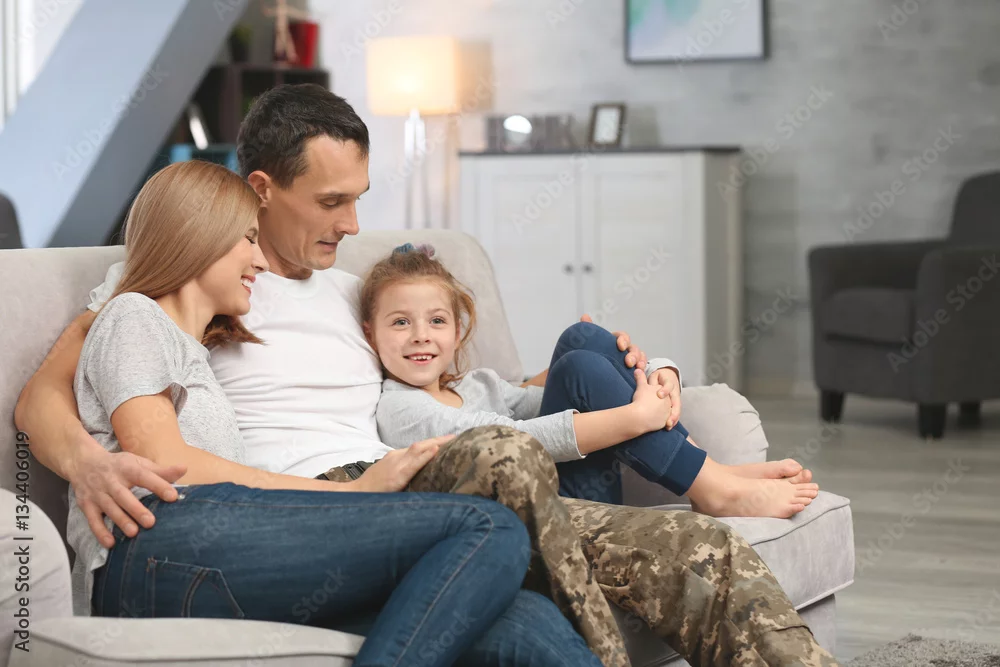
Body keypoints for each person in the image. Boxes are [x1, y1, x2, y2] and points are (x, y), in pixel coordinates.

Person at [16, 83, 840, 666]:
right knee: (505, 475)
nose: (354, 222)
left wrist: (623, 368)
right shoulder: (180, 281)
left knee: (696, 549)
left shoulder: (354, 292)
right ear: (261, 190)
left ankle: (705, 486)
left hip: (410, 479)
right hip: (308, 508)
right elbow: (47, 395)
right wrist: (88, 462)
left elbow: (462, 388)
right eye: (332, 201)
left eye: (360, 197)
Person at [59, 159, 604, 667]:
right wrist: (354, 491)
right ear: (196, 238)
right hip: (151, 548)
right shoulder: (134, 315)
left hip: (222, 555)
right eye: (247, 239)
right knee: (489, 527)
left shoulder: (199, 352)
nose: (258, 260)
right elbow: (166, 463)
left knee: (525, 621)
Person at [363, 244, 820, 518]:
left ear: (457, 330)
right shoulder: (400, 409)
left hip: (568, 489)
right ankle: (712, 485)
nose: (420, 335)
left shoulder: (475, 386)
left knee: (579, 341)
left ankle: (709, 473)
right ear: (370, 334)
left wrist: (660, 370)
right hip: (543, 515)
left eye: (436, 320)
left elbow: (564, 391)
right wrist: (636, 416)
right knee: (578, 366)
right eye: (400, 322)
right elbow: (516, 439)